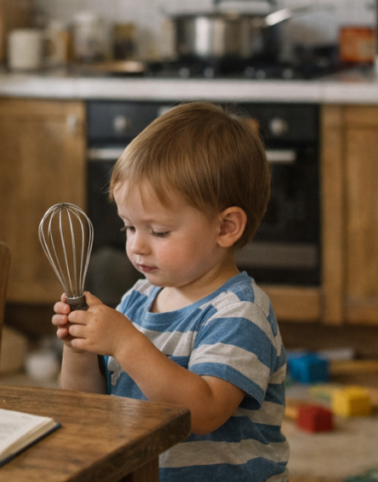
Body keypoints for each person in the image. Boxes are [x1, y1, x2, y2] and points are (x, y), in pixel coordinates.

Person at [52, 102, 289, 481]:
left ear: (226, 227)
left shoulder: (240, 312)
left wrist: (125, 343)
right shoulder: (138, 298)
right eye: (129, 227)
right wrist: (79, 348)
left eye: (158, 231)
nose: (137, 246)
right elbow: (87, 404)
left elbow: (205, 412)